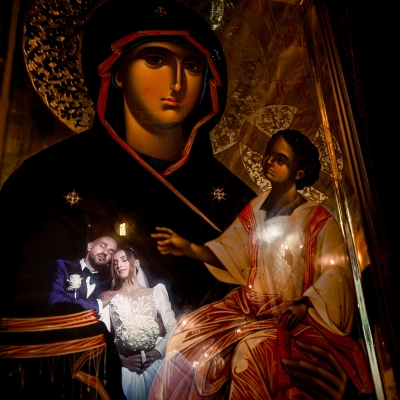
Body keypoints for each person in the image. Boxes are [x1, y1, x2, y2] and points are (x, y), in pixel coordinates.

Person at [0, 0, 256, 318]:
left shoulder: (235, 199)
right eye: (155, 60)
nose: (177, 82)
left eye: (192, 66)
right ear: (117, 71)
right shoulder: (44, 181)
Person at [150, 129, 373, 399]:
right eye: (268, 154)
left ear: (299, 173)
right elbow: (230, 253)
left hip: (296, 320)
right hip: (248, 308)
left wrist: (306, 303)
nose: (269, 161)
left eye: (280, 159)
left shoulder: (320, 221)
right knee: (186, 336)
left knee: (249, 354)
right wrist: (190, 249)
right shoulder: (256, 208)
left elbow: (337, 273)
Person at [100, 246, 177, 400]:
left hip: (156, 364)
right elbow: (103, 337)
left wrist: (157, 352)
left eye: (124, 260)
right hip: (125, 369)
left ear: (136, 263)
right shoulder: (110, 298)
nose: (119, 265)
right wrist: (120, 360)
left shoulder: (156, 291)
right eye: (115, 263)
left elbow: (173, 327)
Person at [47, 235, 118, 315]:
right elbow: (55, 299)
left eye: (110, 252)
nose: (105, 252)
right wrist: (98, 304)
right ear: (90, 246)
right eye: (102, 246)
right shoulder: (62, 266)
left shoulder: (106, 286)